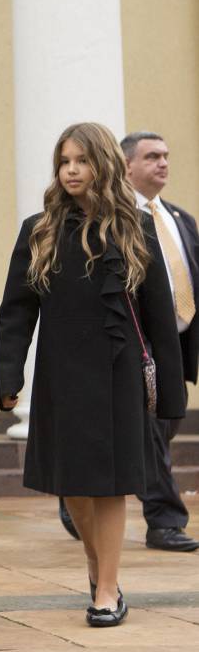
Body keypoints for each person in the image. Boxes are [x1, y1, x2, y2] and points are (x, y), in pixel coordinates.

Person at [0, 122, 186, 627]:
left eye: (81, 160)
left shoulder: (135, 228)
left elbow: (160, 317)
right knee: (73, 487)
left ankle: (106, 590)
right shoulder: (38, 230)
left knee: (111, 485)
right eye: (64, 161)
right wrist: (8, 375)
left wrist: (171, 391)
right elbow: (16, 311)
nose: (72, 170)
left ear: (102, 165)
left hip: (118, 374)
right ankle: (97, 565)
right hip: (61, 374)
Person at [58, 132, 199, 552]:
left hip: (174, 344)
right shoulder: (112, 219)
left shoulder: (179, 218)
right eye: (152, 156)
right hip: (131, 342)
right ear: (126, 165)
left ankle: (78, 490)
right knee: (152, 431)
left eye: (166, 156)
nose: (163, 163)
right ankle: (165, 519)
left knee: (163, 426)